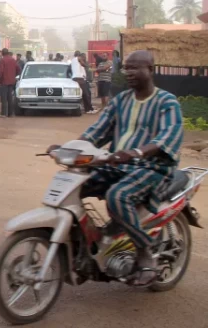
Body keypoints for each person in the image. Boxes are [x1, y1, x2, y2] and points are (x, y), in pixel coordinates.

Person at [50, 50, 184, 286]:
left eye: (135, 68)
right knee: (76, 186)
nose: (129, 73)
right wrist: (72, 148)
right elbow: (97, 131)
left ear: (150, 70)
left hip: (152, 167)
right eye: (126, 68)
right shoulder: (121, 100)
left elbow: (167, 136)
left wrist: (136, 152)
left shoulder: (167, 101)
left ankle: (145, 252)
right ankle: (86, 247)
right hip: (116, 164)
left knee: (118, 196)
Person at [0, 48, 21, 118]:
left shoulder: (2, 60)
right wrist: (14, 75)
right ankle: (10, 113)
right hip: (11, 81)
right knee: (10, 98)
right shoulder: (13, 60)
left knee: (4, 98)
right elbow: (18, 69)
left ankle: (3, 113)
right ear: (7, 53)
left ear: (2, 53)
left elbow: (0, 72)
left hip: (4, 81)